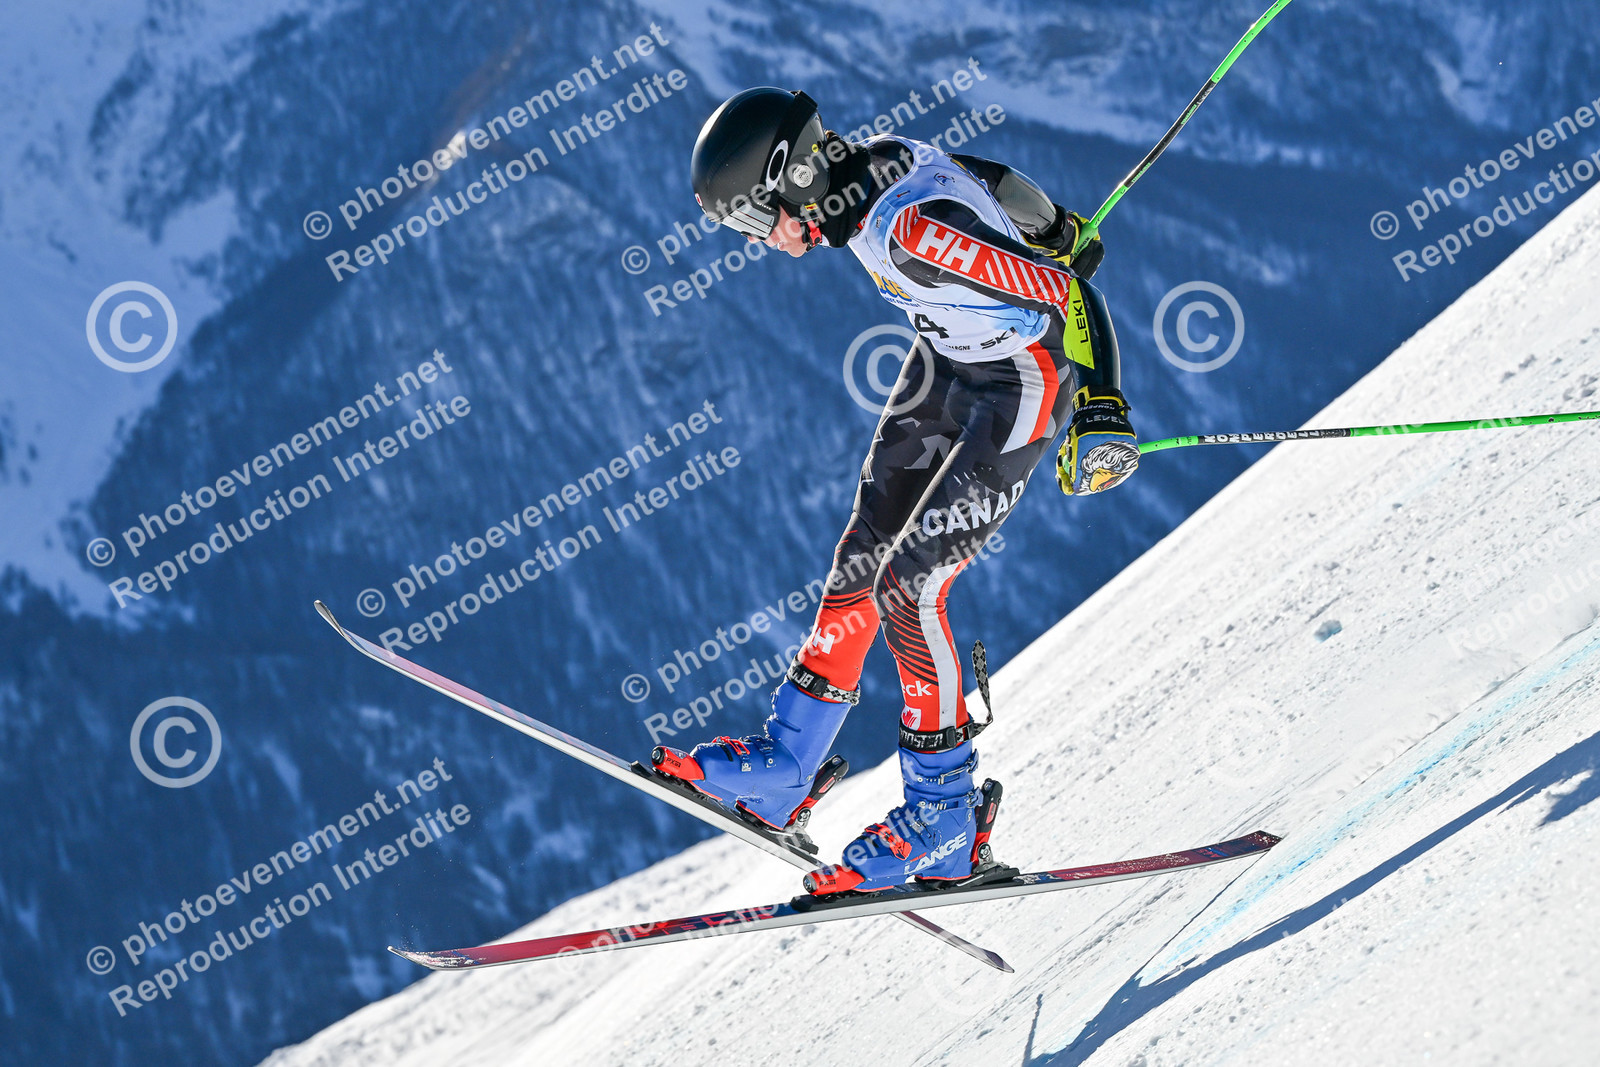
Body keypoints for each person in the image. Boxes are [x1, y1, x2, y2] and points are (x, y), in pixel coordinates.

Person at [650, 87, 1137, 895]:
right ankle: (788, 763)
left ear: (794, 176)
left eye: (755, 218)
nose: (763, 240)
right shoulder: (877, 166)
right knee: (863, 555)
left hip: (1022, 383)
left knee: (910, 588)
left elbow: (1073, 296)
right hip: (946, 364)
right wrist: (1054, 225)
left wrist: (1103, 408)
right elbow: (985, 175)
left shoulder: (912, 232)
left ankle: (946, 818)